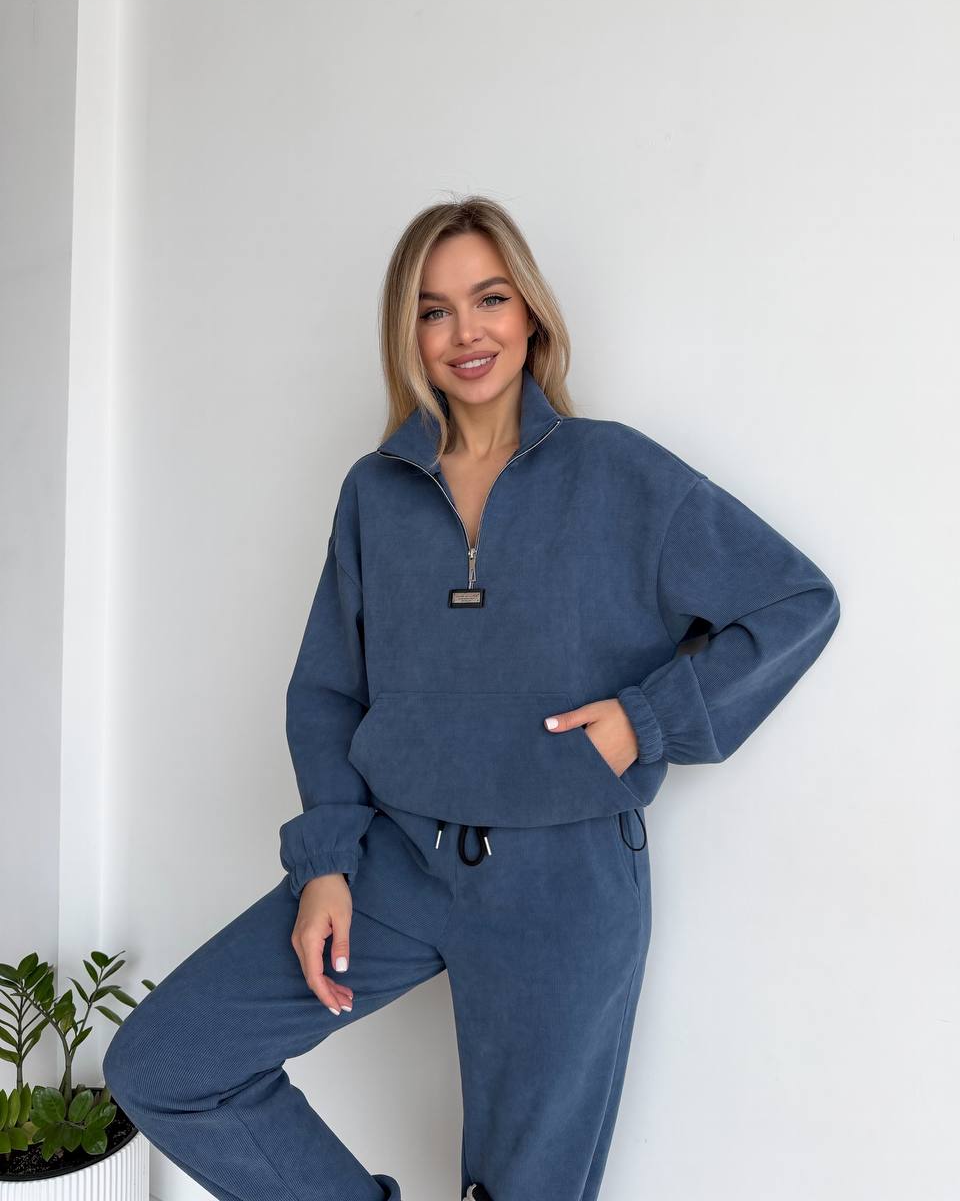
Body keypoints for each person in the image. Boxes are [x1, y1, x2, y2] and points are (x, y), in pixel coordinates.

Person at [103, 196, 841, 1201]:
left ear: (530, 312)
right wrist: (326, 863)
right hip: (396, 861)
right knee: (167, 1063)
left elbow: (794, 600)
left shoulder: (617, 471)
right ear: (407, 333)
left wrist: (647, 720)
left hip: (563, 881)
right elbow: (327, 689)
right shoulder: (376, 491)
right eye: (434, 310)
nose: (466, 332)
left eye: (490, 299)